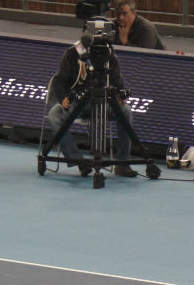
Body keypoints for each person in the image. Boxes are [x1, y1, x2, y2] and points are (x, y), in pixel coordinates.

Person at [46, 33, 140, 177]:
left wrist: (120, 97)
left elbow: (118, 83)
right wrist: (63, 98)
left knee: (125, 111)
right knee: (54, 115)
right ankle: (78, 160)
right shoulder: (73, 53)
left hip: (105, 103)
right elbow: (59, 80)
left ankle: (123, 163)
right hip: (77, 102)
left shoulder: (110, 56)